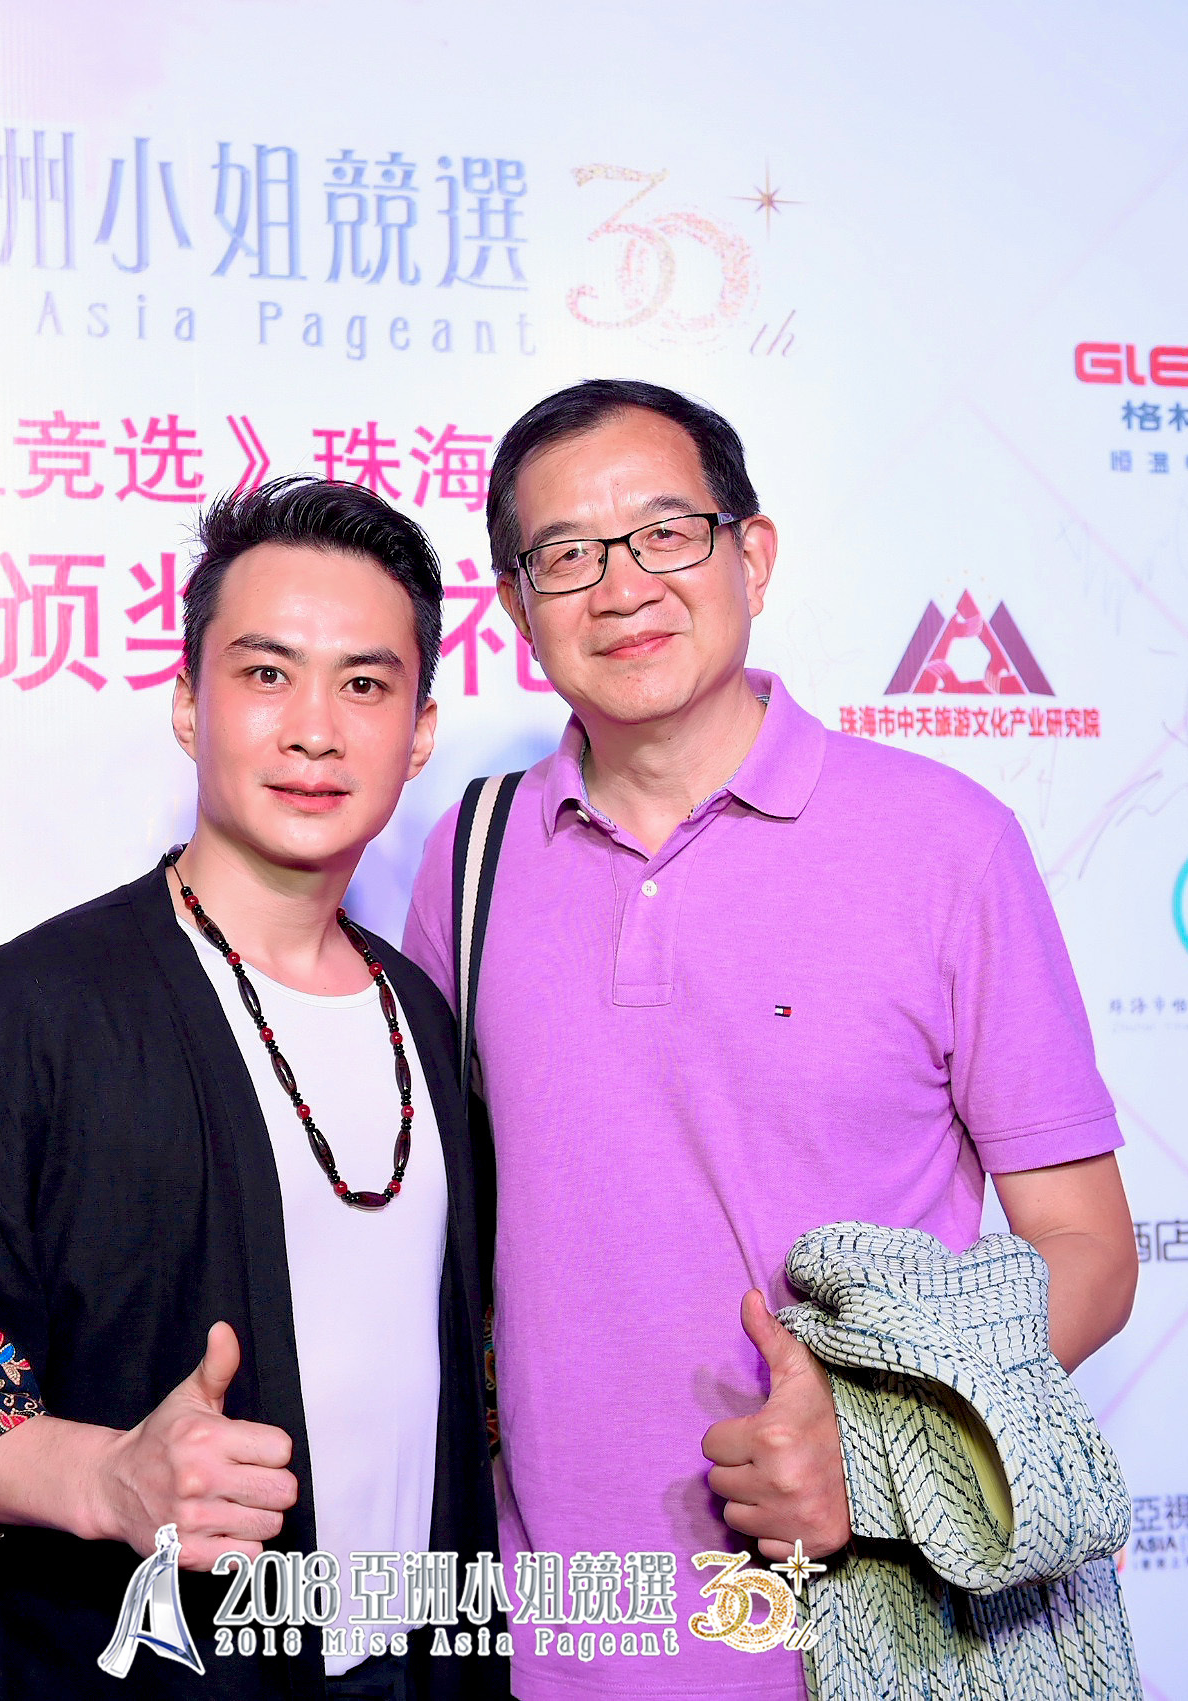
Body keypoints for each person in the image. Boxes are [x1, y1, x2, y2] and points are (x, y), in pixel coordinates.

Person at [403, 380, 1139, 1701]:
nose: (621, 587)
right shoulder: (473, 857)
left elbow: (1087, 1246)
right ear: (515, 608)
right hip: (556, 1640)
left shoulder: (945, 844)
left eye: (665, 532)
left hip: (875, 1636)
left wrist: (883, 1451)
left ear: (752, 554)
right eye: (566, 555)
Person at [0, 477, 505, 1701]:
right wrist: (110, 1477)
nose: (314, 730)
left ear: (420, 731)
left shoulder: (424, 1017)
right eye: (266, 674)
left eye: (364, 685)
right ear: (187, 704)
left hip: (407, 1663)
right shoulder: (37, 1008)